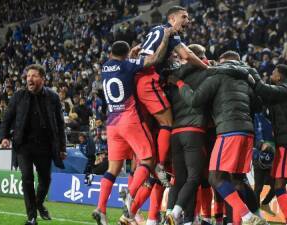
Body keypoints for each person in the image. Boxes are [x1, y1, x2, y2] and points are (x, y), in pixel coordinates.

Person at [169, 51, 267, 225]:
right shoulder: (245, 78)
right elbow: (258, 105)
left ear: (223, 63)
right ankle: (256, 216)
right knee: (238, 179)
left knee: (215, 178)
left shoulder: (217, 76)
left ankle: (246, 216)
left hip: (228, 131)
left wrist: (178, 82)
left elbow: (194, 100)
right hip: (247, 132)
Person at [92, 27, 174, 225]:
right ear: (127, 54)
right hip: (130, 120)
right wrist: (164, 41)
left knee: (112, 169)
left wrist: (130, 56)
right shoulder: (128, 66)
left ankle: (101, 208)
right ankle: (129, 194)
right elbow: (153, 60)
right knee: (148, 160)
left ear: (111, 54)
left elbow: (123, 63)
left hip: (112, 124)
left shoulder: (105, 67)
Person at [135, 6, 209, 186]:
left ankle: (141, 170)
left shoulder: (155, 30)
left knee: (147, 129)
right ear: (172, 18)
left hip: (138, 78)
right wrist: (207, 68)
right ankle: (159, 165)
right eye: (184, 17)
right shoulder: (171, 33)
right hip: (148, 79)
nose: (188, 21)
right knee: (167, 123)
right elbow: (187, 54)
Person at [0, 64, 67, 225]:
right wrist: (4, 137)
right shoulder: (18, 96)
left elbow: (60, 123)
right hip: (23, 145)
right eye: (28, 76)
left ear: (42, 79)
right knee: (27, 178)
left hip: (45, 145)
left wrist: (62, 147)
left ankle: (38, 203)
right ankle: (31, 217)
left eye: (34, 75)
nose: (30, 78)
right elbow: (7, 118)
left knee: (46, 179)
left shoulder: (53, 97)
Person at [251, 64, 287, 225]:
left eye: (273, 73)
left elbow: (265, 90)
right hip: (284, 141)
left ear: (280, 76)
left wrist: (252, 73)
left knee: (279, 186)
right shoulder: (284, 91)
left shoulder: (286, 89)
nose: (271, 74)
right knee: (278, 184)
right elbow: (262, 99)